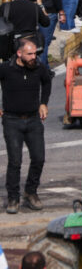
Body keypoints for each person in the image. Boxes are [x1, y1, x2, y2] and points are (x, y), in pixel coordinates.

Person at [0, 37, 50, 213]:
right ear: (19, 54)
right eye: (29, 54)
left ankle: (31, 192)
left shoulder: (39, 69)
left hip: (33, 120)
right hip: (12, 120)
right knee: (15, 161)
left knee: (39, 158)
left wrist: (43, 102)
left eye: (35, 53)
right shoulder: (6, 69)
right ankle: (13, 198)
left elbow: (47, 81)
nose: (33, 57)